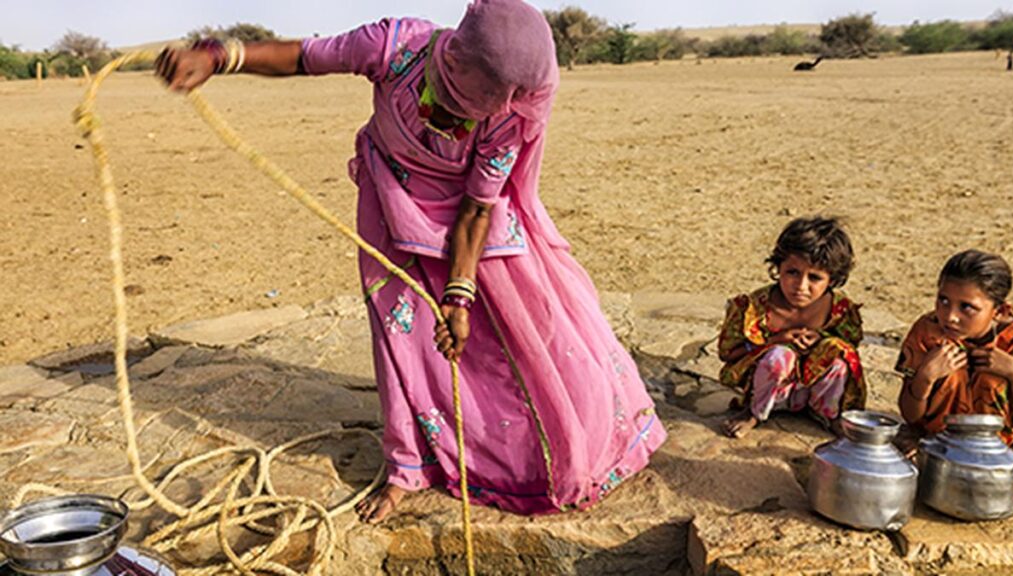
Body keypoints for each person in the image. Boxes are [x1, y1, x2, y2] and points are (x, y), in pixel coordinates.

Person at [156, 0, 665, 523]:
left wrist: (459, 296)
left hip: (475, 224)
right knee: (403, 336)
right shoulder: (395, 47)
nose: (465, 116)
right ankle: (409, 466)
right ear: (452, 62)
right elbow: (305, 57)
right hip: (393, 209)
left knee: (526, 332)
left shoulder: (508, 116)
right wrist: (219, 58)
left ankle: (534, 457)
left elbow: (476, 208)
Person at [718, 216, 866, 438]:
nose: (801, 286)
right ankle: (754, 413)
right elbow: (728, 354)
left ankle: (829, 415)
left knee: (839, 357)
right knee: (779, 357)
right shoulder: (755, 308)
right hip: (775, 394)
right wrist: (773, 342)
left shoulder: (840, 310)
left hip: (816, 393)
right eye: (792, 272)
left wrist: (821, 340)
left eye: (814, 278)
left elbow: (849, 347)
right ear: (778, 267)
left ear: (832, 280)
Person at [896, 250, 1013, 455]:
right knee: (949, 373)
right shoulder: (928, 332)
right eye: (943, 301)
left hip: (1001, 452)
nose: (950, 317)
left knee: (992, 379)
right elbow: (910, 415)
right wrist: (925, 378)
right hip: (935, 443)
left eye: (967, 307)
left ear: (999, 312)